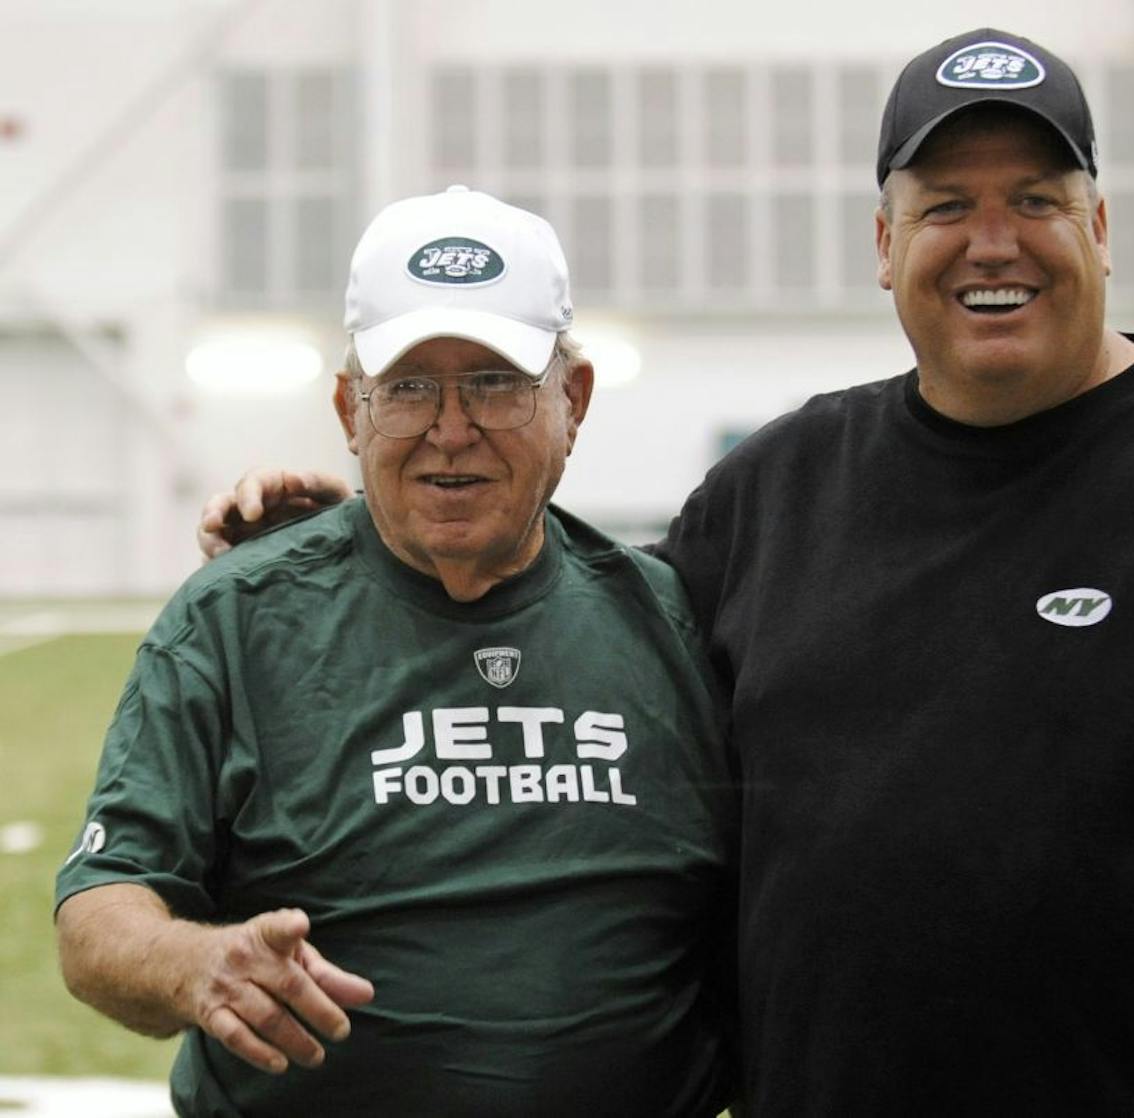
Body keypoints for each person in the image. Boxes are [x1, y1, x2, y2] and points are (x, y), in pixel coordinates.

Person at [196, 28, 1134, 1116]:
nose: (989, 242)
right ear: (882, 242)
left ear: (1097, 228)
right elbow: (560, 626)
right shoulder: (778, 491)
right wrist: (362, 537)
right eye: (944, 204)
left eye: (1035, 199)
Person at [57, 186, 736, 1117]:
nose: (450, 429)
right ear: (350, 409)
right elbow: (101, 910)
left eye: (495, 383)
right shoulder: (235, 616)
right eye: (409, 387)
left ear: (572, 402)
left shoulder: (672, 620)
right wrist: (197, 964)